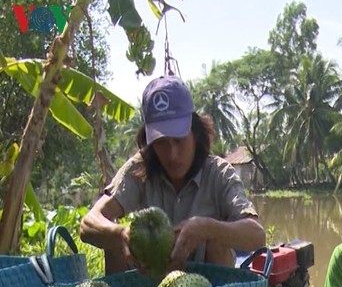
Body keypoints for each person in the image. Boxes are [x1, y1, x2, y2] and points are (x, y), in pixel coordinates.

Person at [80, 75, 265, 274]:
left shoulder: (219, 173)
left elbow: (256, 235)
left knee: (216, 243)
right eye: (161, 143)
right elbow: (89, 224)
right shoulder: (140, 167)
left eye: (179, 140)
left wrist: (206, 228)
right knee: (112, 242)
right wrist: (121, 234)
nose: (172, 154)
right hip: (152, 281)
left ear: (195, 133)